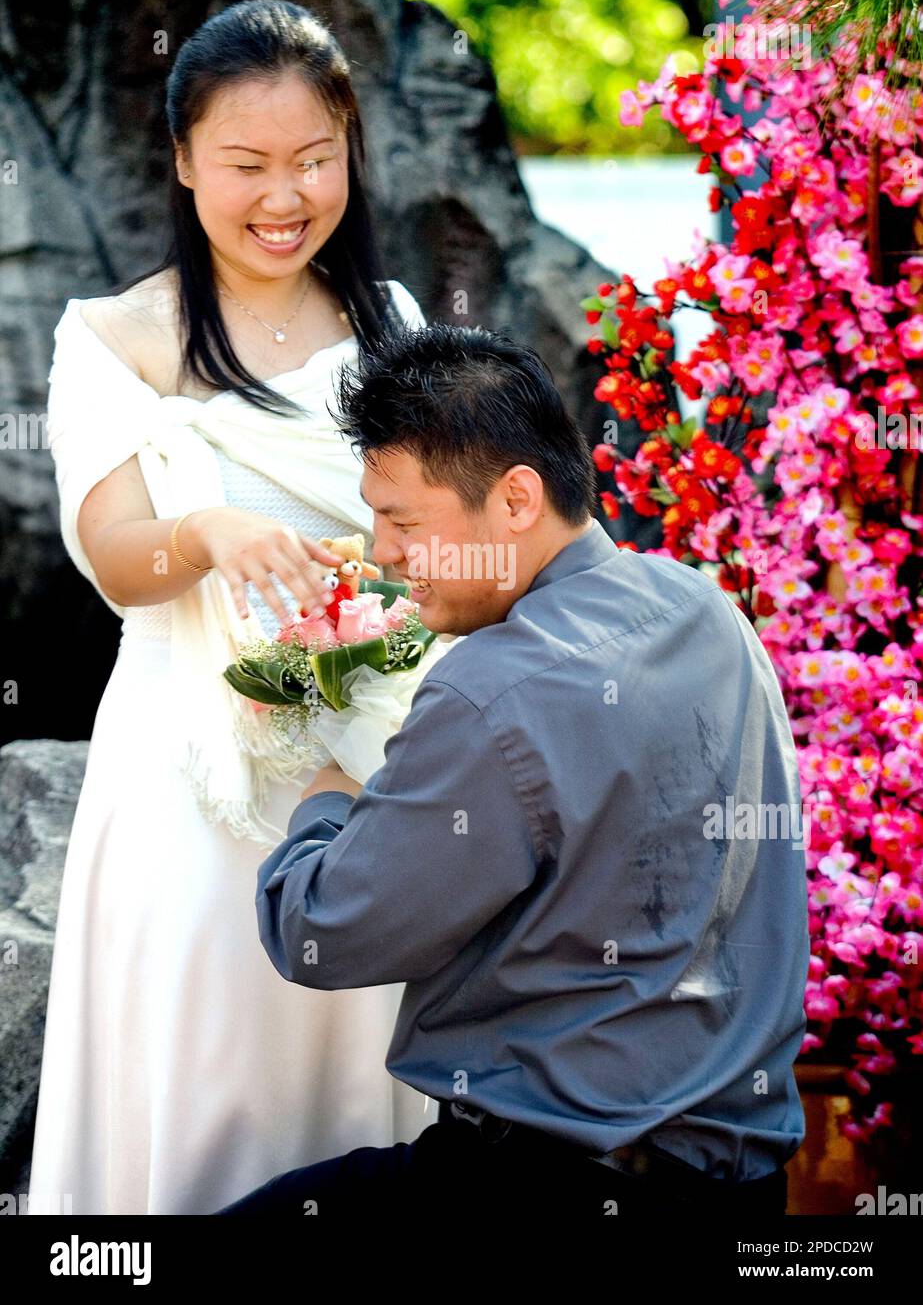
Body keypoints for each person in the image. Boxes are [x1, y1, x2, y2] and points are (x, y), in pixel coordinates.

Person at [216, 321, 811, 1221]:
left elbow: (319, 934)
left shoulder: (491, 691)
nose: (380, 551)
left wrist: (327, 786)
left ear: (518, 500)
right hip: (741, 1177)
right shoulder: (705, 608)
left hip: (535, 1187)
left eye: (402, 520)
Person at [27, 0, 439, 1217]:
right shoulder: (114, 337)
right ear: (182, 160)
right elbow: (113, 557)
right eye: (246, 165)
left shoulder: (391, 327)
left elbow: (444, 546)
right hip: (189, 775)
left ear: (350, 151)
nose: (285, 197)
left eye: (315, 160)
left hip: (364, 762)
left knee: (353, 1064)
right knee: (206, 1071)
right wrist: (205, 537)